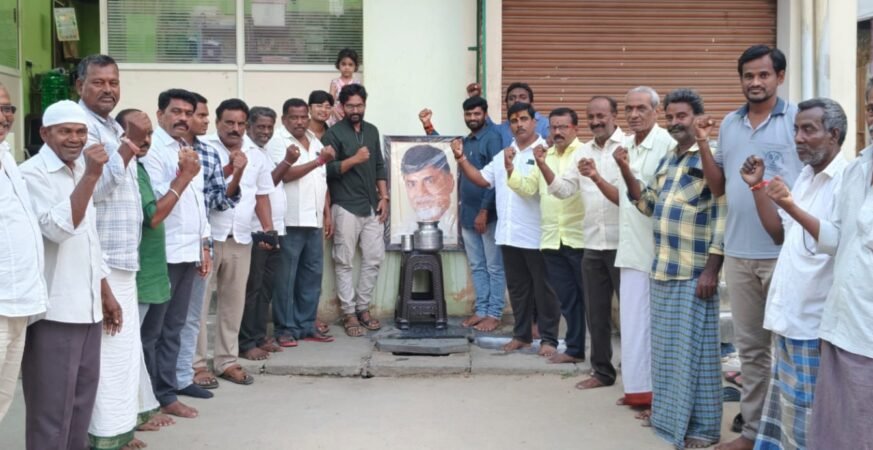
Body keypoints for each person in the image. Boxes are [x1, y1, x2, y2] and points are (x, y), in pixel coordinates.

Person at [696, 46, 802, 450]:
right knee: (752, 352)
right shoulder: (729, 123)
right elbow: (718, 186)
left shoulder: (797, 120)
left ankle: (793, 434)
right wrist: (703, 143)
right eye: (748, 76)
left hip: (786, 253)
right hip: (739, 255)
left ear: (780, 76)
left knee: (790, 350)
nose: (755, 82)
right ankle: (754, 433)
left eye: (763, 75)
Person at [740, 98, 847, 450]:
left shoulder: (846, 180)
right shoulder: (805, 177)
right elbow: (779, 233)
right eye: (796, 129)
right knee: (789, 412)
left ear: (833, 134)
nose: (798, 138)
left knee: (809, 418)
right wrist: (758, 187)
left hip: (814, 325)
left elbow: (836, 242)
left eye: (808, 130)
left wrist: (789, 205)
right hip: (789, 317)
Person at [622, 89, 725, 449]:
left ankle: (704, 428)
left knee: (698, 353)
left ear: (697, 117)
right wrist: (625, 170)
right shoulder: (669, 158)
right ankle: (668, 417)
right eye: (671, 117)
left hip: (695, 271)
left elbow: (722, 210)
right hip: (663, 268)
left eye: (682, 116)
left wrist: (712, 268)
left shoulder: (711, 155)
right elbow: (649, 204)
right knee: (666, 353)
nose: (676, 122)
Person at [20, 100, 120, 450]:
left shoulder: (80, 169)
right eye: (65, 131)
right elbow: (58, 230)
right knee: (51, 410)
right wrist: (92, 176)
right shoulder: (31, 175)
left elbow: (89, 239)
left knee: (81, 403)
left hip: (88, 307)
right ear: (45, 133)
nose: (75, 139)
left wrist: (105, 291)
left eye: (80, 132)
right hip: (55, 309)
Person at [74, 54, 152, 450]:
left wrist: (126, 141)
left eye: (113, 82)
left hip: (123, 258)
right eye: (99, 82)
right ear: (80, 86)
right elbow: (96, 189)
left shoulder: (110, 127)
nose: (108, 89)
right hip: (99, 260)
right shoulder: (79, 127)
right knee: (104, 356)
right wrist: (129, 144)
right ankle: (100, 437)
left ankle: (117, 433)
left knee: (121, 354)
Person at [453, 102, 561, 356]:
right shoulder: (504, 154)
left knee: (544, 291)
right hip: (509, 235)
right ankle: (521, 336)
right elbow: (481, 178)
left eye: (524, 119)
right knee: (518, 290)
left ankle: (549, 340)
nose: (519, 124)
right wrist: (461, 158)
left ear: (534, 122)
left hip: (536, 235)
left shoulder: (546, 153)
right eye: (514, 120)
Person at [139, 89, 211, 419]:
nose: (183, 118)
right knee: (152, 332)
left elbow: (198, 204)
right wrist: (183, 175)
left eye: (188, 113)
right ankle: (148, 399)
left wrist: (204, 245)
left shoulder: (187, 149)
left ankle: (167, 393)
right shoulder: (152, 152)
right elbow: (156, 209)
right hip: (163, 256)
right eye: (176, 111)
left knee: (174, 328)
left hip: (188, 253)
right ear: (160, 114)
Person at [195, 98, 274, 386]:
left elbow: (261, 195)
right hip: (208, 238)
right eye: (229, 122)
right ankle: (196, 365)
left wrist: (268, 229)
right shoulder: (203, 149)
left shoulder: (257, 155)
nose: (235, 128)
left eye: (241, 123)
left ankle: (227, 361)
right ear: (217, 122)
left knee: (233, 304)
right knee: (199, 305)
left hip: (241, 238)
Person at [116, 108, 185, 434]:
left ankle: (150, 403)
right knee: (134, 345)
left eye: (148, 134)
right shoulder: (121, 168)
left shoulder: (139, 168)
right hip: (136, 271)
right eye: (135, 133)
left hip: (155, 267)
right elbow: (153, 216)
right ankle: (131, 412)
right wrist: (183, 178)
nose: (144, 140)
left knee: (152, 339)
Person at [547, 96, 623, 386]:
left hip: (623, 244)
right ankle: (602, 371)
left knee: (631, 314)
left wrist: (596, 176)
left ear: (614, 115)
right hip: (592, 244)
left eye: (601, 116)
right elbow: (564, 190)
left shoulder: (627, 147)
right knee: (596, 314)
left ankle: (638, 373)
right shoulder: (583, 152)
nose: (596, 121)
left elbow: (631, 195)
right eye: (591, 117)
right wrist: (542, 164)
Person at [507, 107, 586, 364]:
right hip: (552, 238)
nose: (558, 132)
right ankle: (575, 349)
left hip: (578, 237)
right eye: (554, 127)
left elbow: (566, 190)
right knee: (567, 300)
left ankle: (596, 352)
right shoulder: (545, 155)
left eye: (563, 127)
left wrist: (541, 164)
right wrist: (510, 170)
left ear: (575, 128)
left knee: (588, 299)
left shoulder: (584, 154)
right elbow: (529, 188)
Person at [176, 92, 239, 397]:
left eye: (202, 115)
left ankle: (196, 370)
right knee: (180, 315)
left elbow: (218, 200)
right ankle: (191, 367)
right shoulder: (163, 151)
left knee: (194, 314)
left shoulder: (209, 155)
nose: (200, 120)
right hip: (171, 244)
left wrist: (236, 173)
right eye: (197, 115)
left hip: (203, 242)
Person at [267, 98, 337, 345]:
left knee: (311, 276)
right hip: (290, 220)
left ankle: (307, 325)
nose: (299, 122)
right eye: (293, 117)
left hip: (314, 220)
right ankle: (285, 328)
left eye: (302, 117)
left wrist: (327, 214)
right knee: (286, 278)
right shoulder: (277, 141)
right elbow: (284, 175)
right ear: (284, 119)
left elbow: (321, 181)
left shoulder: (315, 140)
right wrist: (319, 161)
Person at [322, 84, 388, 337]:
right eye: (350, 106)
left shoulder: (372, 130)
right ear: (341, 107)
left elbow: (379, 165)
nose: (355, 110)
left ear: (365, 105)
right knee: (344, 261)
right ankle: (349, 313)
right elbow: (326, 170)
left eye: (359, 105)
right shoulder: (333, 134)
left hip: (371, 205)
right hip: (345, 205)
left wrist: (384, 197)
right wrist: (354, 160)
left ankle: (363, 308)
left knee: (374, 258)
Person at [0, 100, 47, 424]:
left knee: (3, 397)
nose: (4, 116)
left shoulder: (6, 156)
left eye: (8, 108)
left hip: (20, 301)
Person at [238, 106, 294, 360]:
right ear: (249, 126)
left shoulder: (263, 152)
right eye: (260, 126)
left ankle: (259, 336)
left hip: (273, 229)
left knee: (266, 289)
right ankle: (246, 342)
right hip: (254, 231)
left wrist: (272, 230)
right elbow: (256, 193)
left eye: (269, 127)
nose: (265, 132)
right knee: (253, 289)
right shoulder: (244, 152)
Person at [452, 96, 504, 332]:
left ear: (485, 114)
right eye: (468, 114)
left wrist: (484, 211)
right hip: (467, 214)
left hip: (487, 216)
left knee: (494, 267)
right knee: (477, 266)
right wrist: (428, 127)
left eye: (476, 114)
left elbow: (496, 179)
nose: (472, 118)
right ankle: (481, 310)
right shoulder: (466, 141)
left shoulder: (492, 138)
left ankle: (494, 313)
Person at [419, 81, 550, 148]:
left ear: (532, 102)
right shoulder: (499, 130)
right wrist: (428, 125)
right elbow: (447, 148)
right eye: (511, 98)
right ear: (505, 104)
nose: (516, 101)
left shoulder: (546, 125)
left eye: (522, 97)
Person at [395, 144, 457, 240]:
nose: (420, 193)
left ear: (449, 181)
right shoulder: (403, 230)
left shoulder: (462, 229)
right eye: (411, 184)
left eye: (429, 181)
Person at [328, 48, 361, 126]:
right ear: (338, 65)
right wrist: (336, 113)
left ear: (355, 66)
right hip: (336, 118)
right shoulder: (335, 83)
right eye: (343, 64)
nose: (347, 67)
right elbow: (330, 102)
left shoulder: (357, 83)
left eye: (350, 64)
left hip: (352, 117)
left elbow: (359, 102)